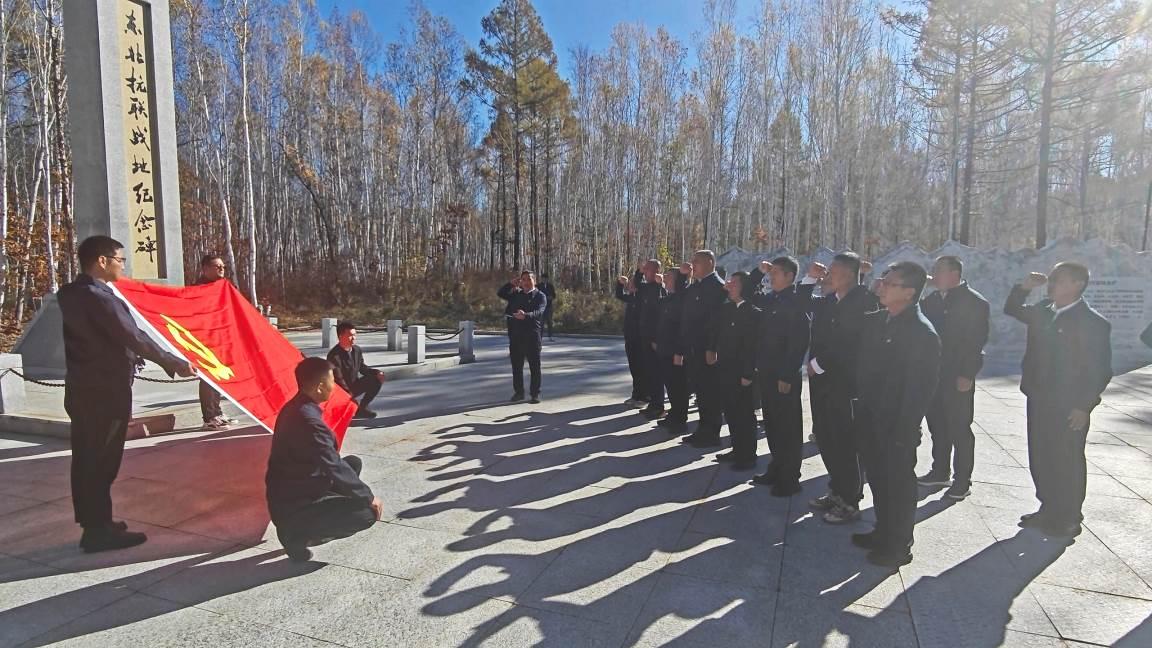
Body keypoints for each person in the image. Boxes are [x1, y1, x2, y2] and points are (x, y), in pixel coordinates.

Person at [59, 235, 195, 553]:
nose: (123, 265)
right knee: (101, 460)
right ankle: (97, 532)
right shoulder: (100, 298)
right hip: (105, 392)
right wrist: (174, 362)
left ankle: (95, 521)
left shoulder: (71, 293)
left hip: (82, 388)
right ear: (102, 261)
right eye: (120, 259)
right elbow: (133, 336)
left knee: (87, 458)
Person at [1006, 263, 1112, 538]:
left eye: (1059, 280)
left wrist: (1084, 406)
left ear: (1077, 284)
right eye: (1051, 279)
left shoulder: (1092, 323)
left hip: (1069, 405)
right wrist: (1024, 288)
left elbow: (1100, 370)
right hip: (1039, 398)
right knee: (1041, 455)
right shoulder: (1043, 311)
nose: (1052, 284)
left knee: (1067, 459)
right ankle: (1048, 507)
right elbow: (1012, 309)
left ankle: (1069, 517)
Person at [853, 261, 941, 568]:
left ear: (909, 292)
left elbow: (919, 390)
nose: (881, 287)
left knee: (898, 486)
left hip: (896, 425)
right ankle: (883, 531)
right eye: (883, 280)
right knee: (879, 480)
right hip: (872, 417)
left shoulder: (921, 332)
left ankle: (899, 545)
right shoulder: (883, 321)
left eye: (890, 284)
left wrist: (905, 430)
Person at [266, 357, 382, 561]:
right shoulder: (309, 421)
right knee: (366, 514)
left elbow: (330, 460)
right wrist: (369, 497)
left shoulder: (296, 406)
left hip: (294, 485)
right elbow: (333, 465)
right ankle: (295, 533)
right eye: (332, 381)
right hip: (293, 503)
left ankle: (319, 512)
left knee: (353, 463)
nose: (334, 386)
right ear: (320, 386)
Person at [805, 252, 879, 524]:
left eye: (832, 270)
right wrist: (809, 278)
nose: (827, 274)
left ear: (848, 273)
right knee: (827, 439)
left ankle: (850, 500)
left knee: (846, 444)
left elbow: (849, 343)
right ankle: (837, 491)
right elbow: (802, 303)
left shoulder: (863, 301)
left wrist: (818, 363)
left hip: (846, 384)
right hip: (824, 381)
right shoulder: (832, 299)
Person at [918, 256, 990, 500]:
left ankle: (962, 480)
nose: (934, 275)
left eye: (939, 270)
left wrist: (967, 374)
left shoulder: (974, 302)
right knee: (937, 425)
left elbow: (976, 342)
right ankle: (940, 471)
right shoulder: (932, 300)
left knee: (959, 428)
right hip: (934, 374)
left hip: (958, 376)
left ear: (954, 274)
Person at [751, 256, 811, 496]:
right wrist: (758, 272)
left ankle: (790, 478)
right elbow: (749, 294)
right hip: (767, 372)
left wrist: (787, 374)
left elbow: (799, 341)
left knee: (788, 428)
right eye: (771, 272)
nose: (771, 276)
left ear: (789, 276)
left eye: (775, 273)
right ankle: (776, 467)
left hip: (784, 375)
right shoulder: (771, 299)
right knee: (773, 424)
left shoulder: (796, 301)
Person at [708, 272, 760, 470]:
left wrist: (747, 374)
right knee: (730, 412)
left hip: (742, 373)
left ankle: (747, 456)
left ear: (744, 287)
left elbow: (752, 347)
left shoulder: (753, 312)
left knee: (744, 415)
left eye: (734, 283)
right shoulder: (727, 308)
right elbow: (714, 322)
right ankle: (737, 449)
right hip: (726, 369)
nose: (729, 284)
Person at [677, 250, 728, 447]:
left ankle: (711, 433)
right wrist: (683, 277)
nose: (693, 264)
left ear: (710, 263)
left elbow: (717, 321)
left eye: (696, 261)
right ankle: (702, 429)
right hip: (693, 347)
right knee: (700, 392)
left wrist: (711, 347)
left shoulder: (717, 286)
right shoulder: (697, 285)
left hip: (706, 349)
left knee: (710, 393)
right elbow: (681, 298)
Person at [193, 254, 239, 431]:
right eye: (216, 266)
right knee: (208, 378)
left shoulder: (224, 287)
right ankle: (209, 417)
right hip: (206, 340)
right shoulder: (198, 289)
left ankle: (217, 412)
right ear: (205, 269)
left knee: (219, 376)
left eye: (222, 266)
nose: (221, 269)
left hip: (222, 338)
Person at [499, 270, 548, 403]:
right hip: (516, 335)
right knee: (517, 367)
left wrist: (525, 315)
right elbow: (501, 293)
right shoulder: (516, 294)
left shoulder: (540, 296)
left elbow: (539, 312)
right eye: (523, 279)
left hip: (532, 335)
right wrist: (510, 284)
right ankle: (519, 392)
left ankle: (535, 393)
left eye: (529, 279)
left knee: (534, 367)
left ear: (534, 281)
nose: (526, 282)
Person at [326, 321, 386, 419]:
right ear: (340, 336)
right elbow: (338, 378)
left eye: (354, 335)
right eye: (350, 335)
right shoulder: (334, 355)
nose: (353, 338)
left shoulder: (356, 350)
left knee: (376, 380)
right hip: (340, 390)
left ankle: (362, 408)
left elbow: (362, 368)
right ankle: (345, 407)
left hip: (354, 385)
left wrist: (377, 372)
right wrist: (349, 397)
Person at [654, 269, 690, 434]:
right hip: (664, 349)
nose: (665, 279)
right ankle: (673, 415)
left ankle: (680, 420)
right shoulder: (668, 299)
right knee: (670, 386)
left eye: (669, 277)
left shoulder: (682, 300)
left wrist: (679, 352)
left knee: (678, 388)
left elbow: (683, 328)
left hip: (675, 352)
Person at [636, 261, 668, 420]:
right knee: (649, 372)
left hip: (654, 338)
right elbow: (636, 285)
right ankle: (653, 404)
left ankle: (659, 406)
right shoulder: (646, 287)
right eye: (645, 269)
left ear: (656, 271)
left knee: (656, 374)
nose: (645, 272)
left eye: (648, 269)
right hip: (645, 336)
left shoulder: (660, 289)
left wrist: (656, 338)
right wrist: (639, 272)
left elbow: (661, 315)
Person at [615, 267, 647, 407]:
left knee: (641, 369)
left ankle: (644, 397)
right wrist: (620, 284)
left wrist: (639, 272)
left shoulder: (642, 297)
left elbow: (639, 282)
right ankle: (636, 395)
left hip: (640, 339)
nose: (630, 284)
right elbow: (619, 295)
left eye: (633, 283)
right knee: (634, 369)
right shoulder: (632, 297)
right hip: (630, 339)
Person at [538, 273, 558, 341]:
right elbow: (536, 295)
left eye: (545, 279)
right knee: (541, 322)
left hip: (549, 306)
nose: (544, 280)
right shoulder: (538, 286)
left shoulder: (550, 286)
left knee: (549, 322)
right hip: (541, 307)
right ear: (541, 279)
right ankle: (539, 337)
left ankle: (550, 336)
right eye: (543, 278)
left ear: (547, 279)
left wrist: (551, 297)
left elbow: (554, 295)